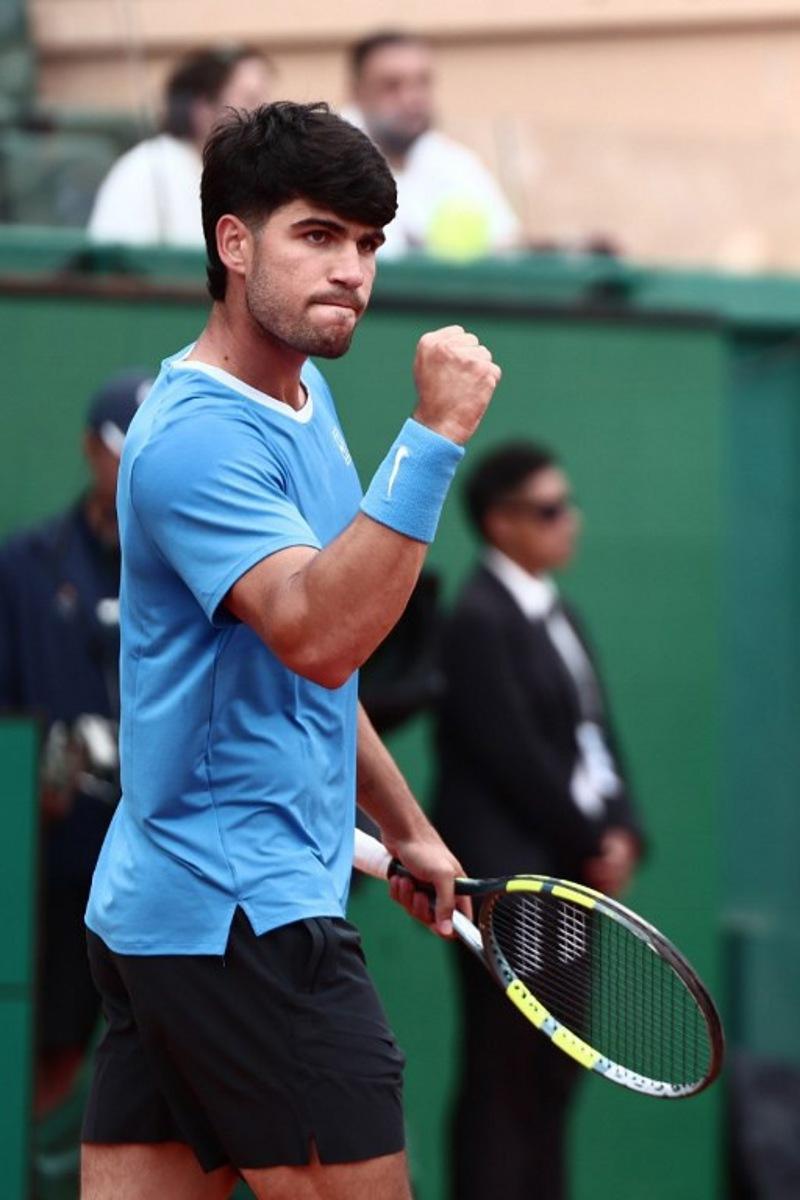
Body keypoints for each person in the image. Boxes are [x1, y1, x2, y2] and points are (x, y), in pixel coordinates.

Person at [80, 101, 501, 1200]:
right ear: (233, 243)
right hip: (242, 921)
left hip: (169, 915)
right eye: (317, 235)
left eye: (365, 244)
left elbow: (313, 676)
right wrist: (436, 436)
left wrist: (404, 827)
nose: (351, 270)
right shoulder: (198, 439)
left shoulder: (302, 403)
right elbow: (318, 636)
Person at [433, 441, 645, 1200]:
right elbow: (517, 758)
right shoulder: (477, 622)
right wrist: (593, 840)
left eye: (568, 505)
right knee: (505, 1074)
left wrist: (623, 832)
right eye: (550, 509)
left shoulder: (563, 615)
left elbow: (595, 737)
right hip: (510, 885)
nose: (570, 522)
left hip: (568, 883)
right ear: (500, 523)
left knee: (555, 1072)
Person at [0, 370, 151, 1115]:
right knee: (50, 1050)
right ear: (93, 449)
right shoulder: (25, 567)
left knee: (181, 1071)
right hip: (63, 869)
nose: (136, 473)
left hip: (168, 869)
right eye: (125, 452)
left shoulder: (202, 564)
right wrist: (37, 786)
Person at [343, 31, 520, 259]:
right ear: (358, 92)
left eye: (422, 82)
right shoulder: (330, 159)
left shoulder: (455, 160)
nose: (412, 98)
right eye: (392, 86)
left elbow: (508, 244)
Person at [87, 46, 272, 247]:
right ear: (202, 109)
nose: (264, 115)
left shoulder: (251, 175)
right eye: (251, 100)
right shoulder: (146, 169)